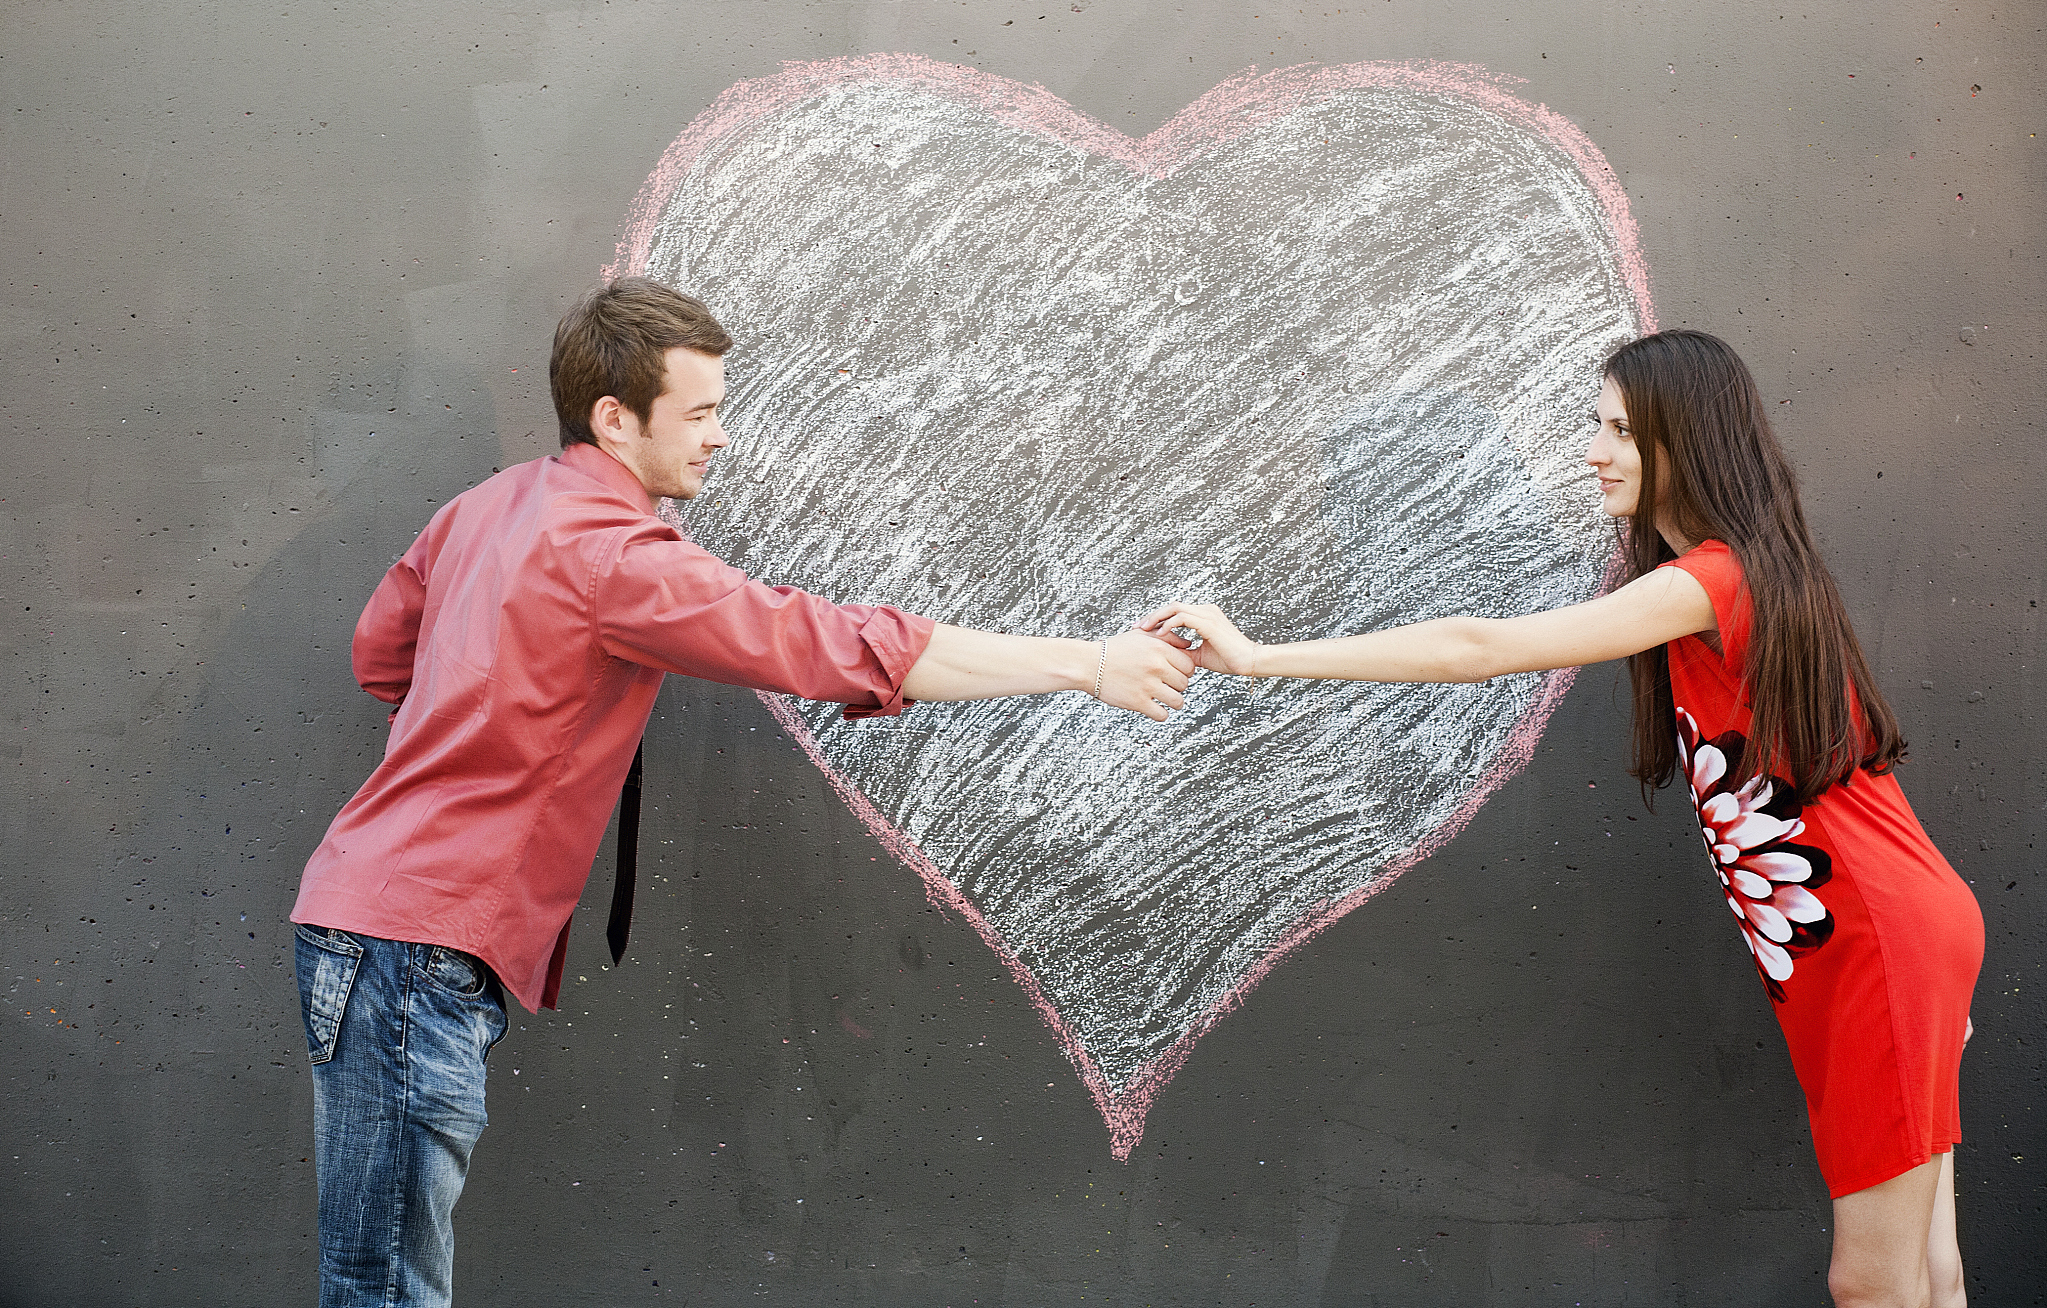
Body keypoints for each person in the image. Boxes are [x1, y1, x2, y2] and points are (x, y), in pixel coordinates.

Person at [289, 276, 1194, 1308]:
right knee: (385, 1292)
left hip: (377, 931)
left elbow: (382, 656)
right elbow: (827, 643)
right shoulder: (615, 561)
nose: (722, 437)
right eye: (702, 413)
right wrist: (1088, 665)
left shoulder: (485, 508)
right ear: (615, 419)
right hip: (411, 951)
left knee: (378, 1279)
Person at [1143, 330, 1982, 1308]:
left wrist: (1258, 659)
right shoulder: (1747, 575)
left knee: (1872, 1283)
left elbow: (1480, 646)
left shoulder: (1712, 581)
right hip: (1885, 933)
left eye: (1620, 430)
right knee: (1928, 1268)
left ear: (1687, 440)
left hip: (1874, 944)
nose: (1594, 450)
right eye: (1598, 424)